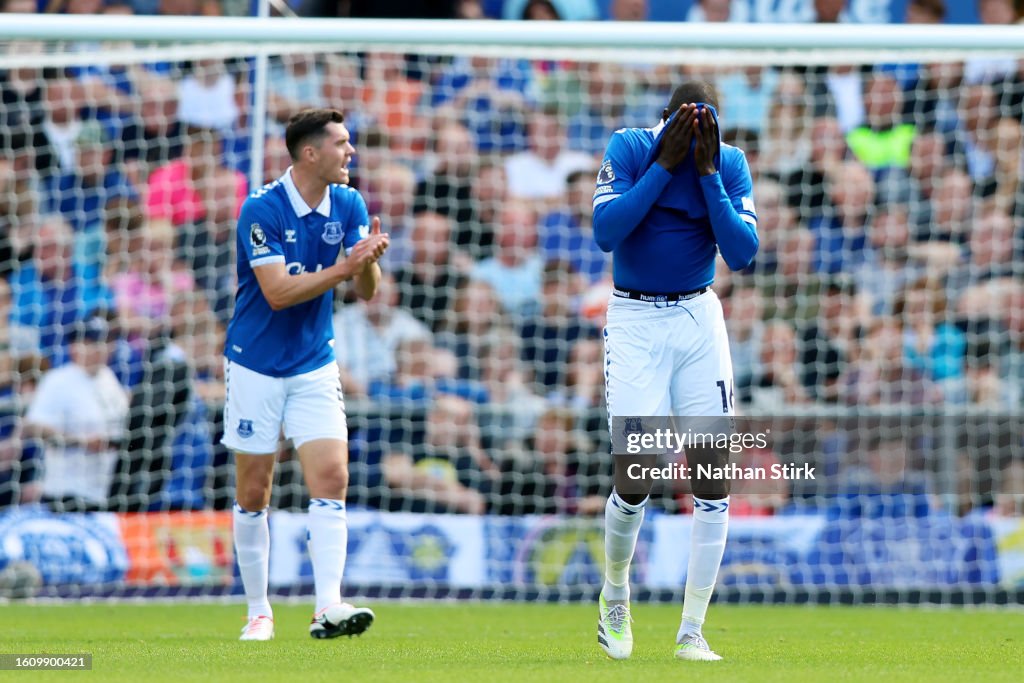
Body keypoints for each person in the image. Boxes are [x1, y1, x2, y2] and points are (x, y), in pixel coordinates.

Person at [592, 81, 758, 662]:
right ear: (663, 121)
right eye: (682, 130)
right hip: (635, 318)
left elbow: (741, 253)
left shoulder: (729, 163)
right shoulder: (631, 147)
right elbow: (607, 233)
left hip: (697, 316)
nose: (690, 141)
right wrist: (662, 167)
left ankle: (691, 630)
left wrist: (708, 175)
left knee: (713, 485)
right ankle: (615, 597)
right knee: (635, 478)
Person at [222, 108, 389, 642]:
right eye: (342, 143)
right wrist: (345, 266)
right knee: (255, 489)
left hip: (315, 362)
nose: (351, 152)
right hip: (255, 365)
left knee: (332, 477)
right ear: (310, 153)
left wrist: (365, 260)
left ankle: (327, 607)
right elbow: (276, 292)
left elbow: (367, 292)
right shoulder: (261, 210)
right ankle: (258, 610)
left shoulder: (349, 202)